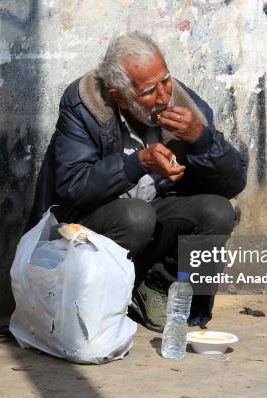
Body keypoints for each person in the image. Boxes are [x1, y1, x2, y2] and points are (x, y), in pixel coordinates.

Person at [28, 32, 247, 331]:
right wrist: (138, 163)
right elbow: (74, 187)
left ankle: (155, 289)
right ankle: (101, 300)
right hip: (85, 227)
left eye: (166, 80)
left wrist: (202, 140)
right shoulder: (85, 105)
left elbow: (233, 183)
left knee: (220, 211)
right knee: (137, 215)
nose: (163, 96)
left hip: (149, 227)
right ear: (119, 95)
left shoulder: (184, 104)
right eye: (147, 91)